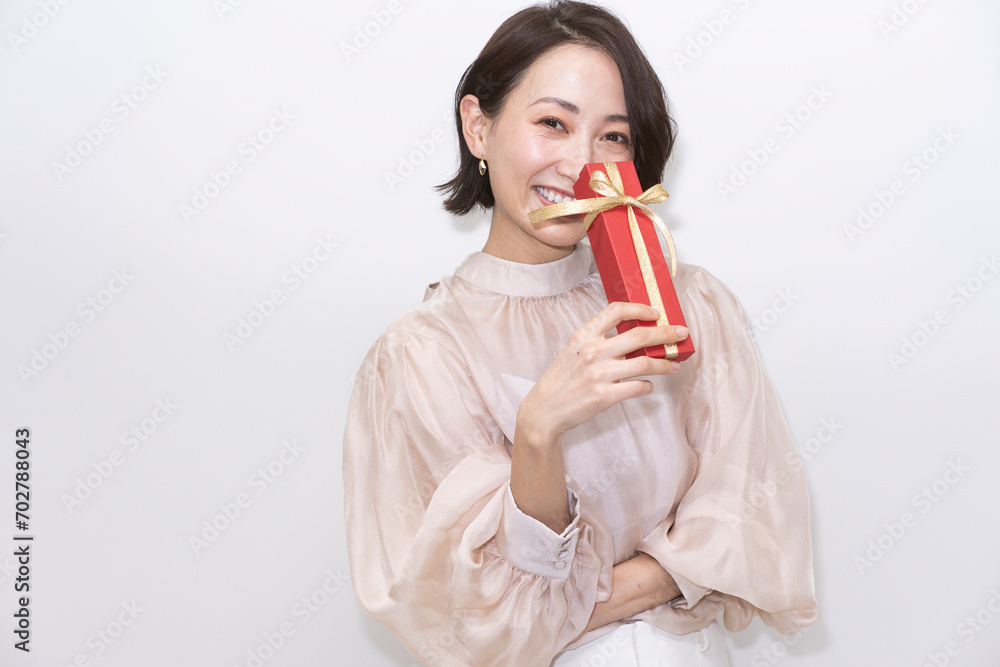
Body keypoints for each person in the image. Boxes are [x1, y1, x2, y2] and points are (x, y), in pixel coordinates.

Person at [343, 2, 819, 665]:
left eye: (612, 136)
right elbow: (470, 623)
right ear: (478, 126)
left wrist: (560, 605)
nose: (579, 165)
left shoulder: (687, 302)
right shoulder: (421, 356)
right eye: (552, 123)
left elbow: (751, 518)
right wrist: (539, 428)